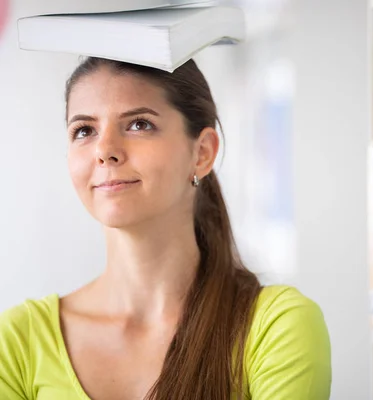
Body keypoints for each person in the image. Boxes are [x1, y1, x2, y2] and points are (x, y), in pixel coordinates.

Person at [0, 57, 332, 400]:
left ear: (202, 153)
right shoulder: (16, 341)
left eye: (139, 124)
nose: (105, 151)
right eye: (84, 130)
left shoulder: (277, 326)